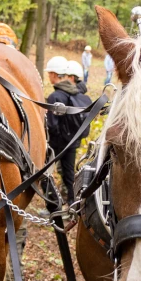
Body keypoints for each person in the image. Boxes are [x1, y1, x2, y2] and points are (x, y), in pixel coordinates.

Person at [45, 56, 91, 203]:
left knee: (47, 173)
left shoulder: (55, 96)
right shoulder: (74, 92)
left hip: (57, 143)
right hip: (72, 140)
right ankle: (73, 203)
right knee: (69, 173)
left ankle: (53, 204)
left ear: (53, 74)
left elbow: (52, 125)